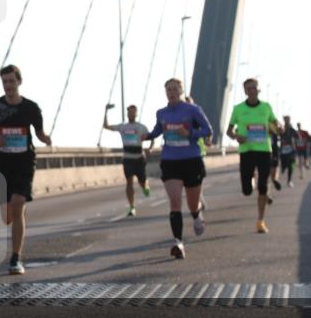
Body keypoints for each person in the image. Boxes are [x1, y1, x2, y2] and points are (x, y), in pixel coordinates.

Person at [0, 65, 52, 275]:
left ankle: (15, 258)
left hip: (24, 162)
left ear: (19, 82)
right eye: (5, 82)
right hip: (2, 163)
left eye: (12, 81)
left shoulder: (31, 107)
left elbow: (39, 133)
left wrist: (46, 139)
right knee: (7, 216)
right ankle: (12, 218)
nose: (8, 86)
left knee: (18, 203)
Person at [143, 78, 213, 259]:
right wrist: (148, 136)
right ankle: (178, 243)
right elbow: (158, 130)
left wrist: (190, 133)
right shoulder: (161, 113)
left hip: (192, 160)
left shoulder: (193, 110)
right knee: (175, 203)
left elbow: (208, 130)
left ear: (181, 91)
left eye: (175, 89)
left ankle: (197, 216)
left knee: (192, 204)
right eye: (168, 90)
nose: (171, 92)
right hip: (170, 160)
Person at [226, 78, 281, 234]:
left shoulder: (266, 107)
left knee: (262, 186)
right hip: (246, 151)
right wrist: (236, 136)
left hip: (264, 150)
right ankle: (252, 181)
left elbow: (275, 125)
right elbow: (229, 131)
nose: (252, 90)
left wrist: (279, 128)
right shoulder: (238, 109)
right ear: (245, 91)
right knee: (247, 190)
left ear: (258, 89)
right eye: (248, 88)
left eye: (254, 88)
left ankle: (260, 221)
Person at [102, 103, 152, 217]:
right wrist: (106, 111)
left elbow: (151, 137)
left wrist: (150, 148)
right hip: (128, 159)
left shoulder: (141, 127)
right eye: (130, 111)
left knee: (142, 182)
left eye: (134, 112)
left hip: (139, 159)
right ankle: (132, 207)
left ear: (136, 113)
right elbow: (106, 126)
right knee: (129, 182)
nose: (131, 113)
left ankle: (145, 186)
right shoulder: (123, 127)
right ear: (127, 113)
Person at [280, 116, 299, 187]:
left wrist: (295, 141)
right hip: (283, 150)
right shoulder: (281, 128)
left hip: (291, 150)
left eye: (288, 119)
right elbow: (277, 135)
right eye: (285, 120)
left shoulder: (292, 129)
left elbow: (298, 137)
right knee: (284, 166)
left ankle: (289, 181)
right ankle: (283, 168)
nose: (287, 121)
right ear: (284, 120)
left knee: (291, 165)